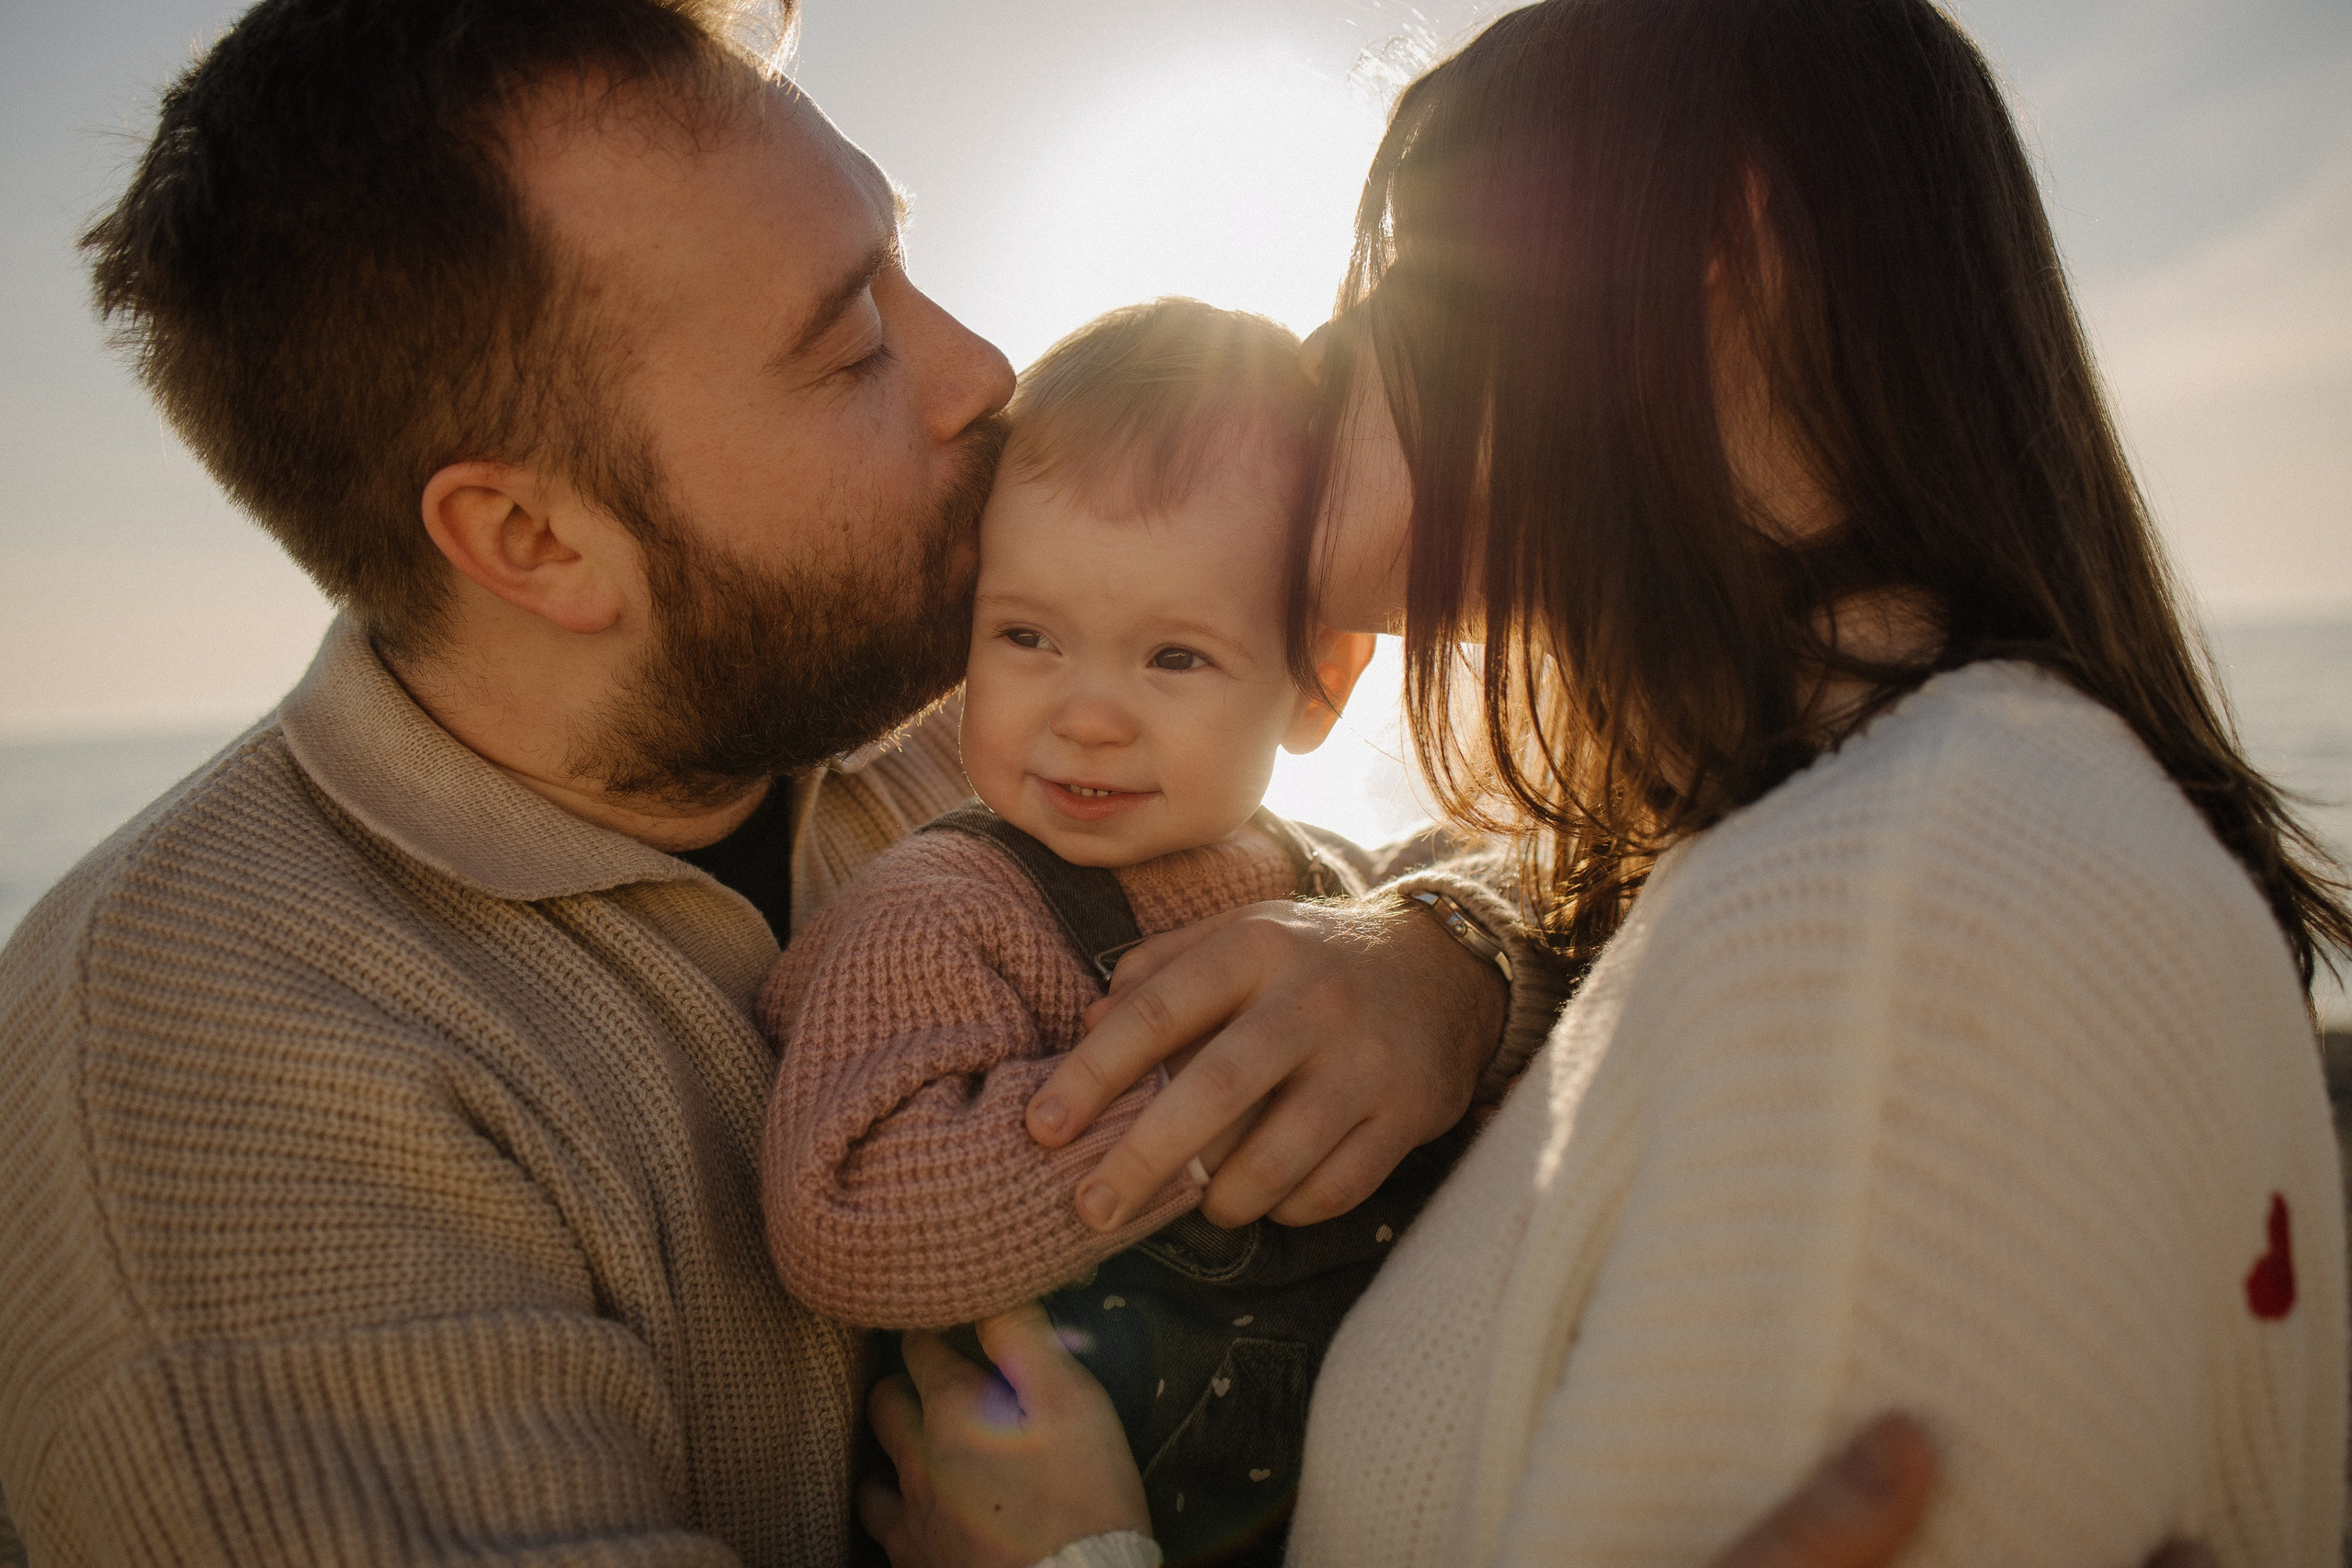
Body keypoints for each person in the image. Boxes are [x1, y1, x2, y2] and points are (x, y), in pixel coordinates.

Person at [0, 3, 1552, 1562]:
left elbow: (1462, 878)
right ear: (536, 542)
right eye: (854, 341)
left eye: (903, 263)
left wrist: (1442, 955)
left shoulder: (957, 712)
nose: (979, 367)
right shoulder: (205, 1075)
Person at [859, 1, 2351, 1565]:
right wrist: (1448, 950)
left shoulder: (1904, 911)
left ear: (1726, 239)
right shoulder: (1845, 842)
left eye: (1387, 280)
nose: (1321, 353)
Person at [761, 299, 1569, 1566]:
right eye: (1029, 638)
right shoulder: (944, 906)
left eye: (1174, 658)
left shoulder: (1342, 891)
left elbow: (1552, 910)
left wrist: (1454, 961)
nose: (1086, 715)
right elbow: (848, 1210)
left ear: (1317, 680)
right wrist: (1226, 1095)